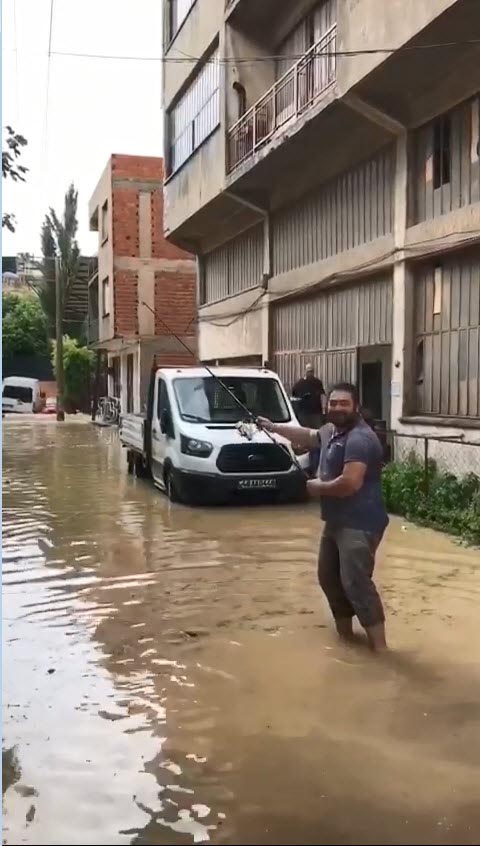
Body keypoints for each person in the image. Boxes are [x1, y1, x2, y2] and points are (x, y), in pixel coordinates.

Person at [258, 382, 389, 651]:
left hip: (361, 523)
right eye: (333, 403)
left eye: (344, 403)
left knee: (356, 583)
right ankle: (347, 638)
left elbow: (349, 483)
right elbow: (307, 435)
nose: (338, 408)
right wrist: (272, 427)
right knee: (328, 577)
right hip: (336, 521)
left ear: (356, 407)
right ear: (325, 406)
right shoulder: (331, 430)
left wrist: (315, 487)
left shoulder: (360, 439)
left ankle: (381, 650)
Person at [292, 364, 326, 477]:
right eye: (309, 371)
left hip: (315, 414)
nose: (310, 373)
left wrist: (324, 411)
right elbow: (294, 398)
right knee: (306, 440)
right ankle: (306, 466)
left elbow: (322, 396)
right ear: (305, 371)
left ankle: (316, 465)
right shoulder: (299, 384)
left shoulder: (317, 382)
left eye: (312, 371)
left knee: (317, 439)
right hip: (304, 415)